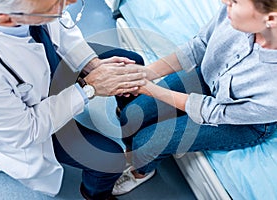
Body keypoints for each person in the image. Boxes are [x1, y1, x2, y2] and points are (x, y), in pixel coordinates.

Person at [0, 0, 147, 199]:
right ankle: (96, 195)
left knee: (130, 66)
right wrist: (88, 88)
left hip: (52, 68)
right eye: (56, 4)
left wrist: (91, 64)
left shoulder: (37, 8)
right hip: (34, 124)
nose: (71, 2)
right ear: (5, 18)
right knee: (110, 161)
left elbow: (60, 23)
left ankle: (128, 128)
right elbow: (27, 131)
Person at [112, 0, 277, 195]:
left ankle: (140, 171)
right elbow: (199, 45)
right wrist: (146, 74)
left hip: (240, 122)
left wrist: (151, 90)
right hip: (210, 76)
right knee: (131, 115)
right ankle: (135, 155)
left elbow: (214, 112)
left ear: (271, 18)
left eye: (235, 2)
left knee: (147, 142)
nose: (225, 2)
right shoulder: (232, 14)